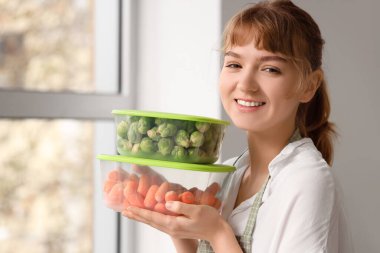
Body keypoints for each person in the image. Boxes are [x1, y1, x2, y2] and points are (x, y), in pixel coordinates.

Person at [122, 0, 353, 252]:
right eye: (234, 64)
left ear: (309, 85)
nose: (245, 83)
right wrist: (179, 226)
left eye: (270, 69)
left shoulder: (305, 180)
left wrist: (218, 232)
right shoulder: (229, 174)